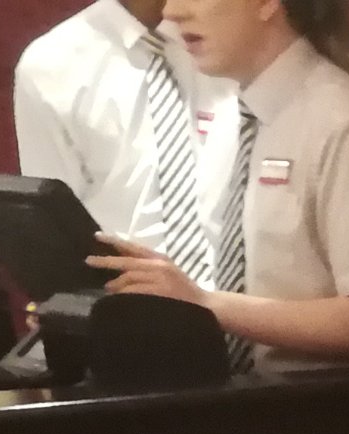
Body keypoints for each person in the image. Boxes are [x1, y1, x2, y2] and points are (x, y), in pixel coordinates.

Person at [89, 0, 349, 369]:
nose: (172, 12)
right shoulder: (233, 121)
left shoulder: (344, 123)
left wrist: (205, 303)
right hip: (253, 394)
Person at [12, 0, 236, 271]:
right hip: (123, 288)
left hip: (245, 287)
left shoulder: (238, 37)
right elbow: (55, 226)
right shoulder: (50, 65)